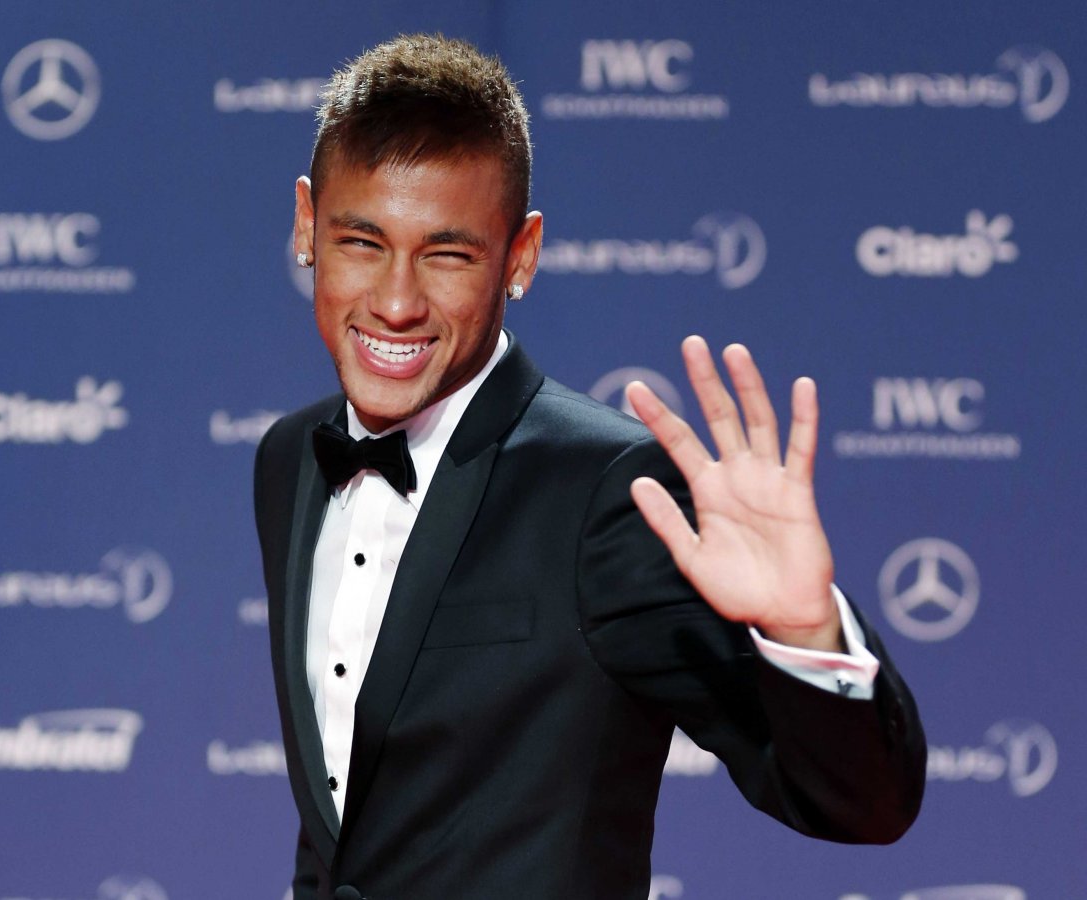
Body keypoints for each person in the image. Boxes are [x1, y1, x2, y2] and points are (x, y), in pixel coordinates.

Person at [253, 34, 925, 900]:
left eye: (447, 254)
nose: (396, 301)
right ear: (306, 225)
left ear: (521, 256)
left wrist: (805, 631)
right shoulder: (288, 460)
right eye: (362, 242)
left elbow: (862, 804)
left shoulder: (610, 491)